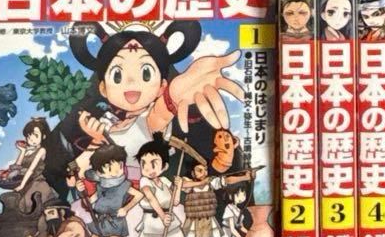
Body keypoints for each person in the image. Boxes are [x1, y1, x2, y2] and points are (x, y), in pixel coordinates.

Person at [47, 20, 244, 186]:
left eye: (146, 73)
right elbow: (75, 172)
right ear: (103, 88)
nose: (132, 82)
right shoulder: (105, 119)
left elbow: (157, 118)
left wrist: (172, 98)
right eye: (117, 75)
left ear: (161, 86)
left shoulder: (150, 119)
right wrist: (96, 141)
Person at [126, 133, 205, 237]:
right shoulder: (145, 181)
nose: (148, 168)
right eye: (144, 164)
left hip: (171, 223)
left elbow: (174, 202)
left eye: (153, 163)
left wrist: (178, 186)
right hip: (152, 223)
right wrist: (163, 216)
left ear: (164, 166)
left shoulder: (164, 180)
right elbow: (151, 199)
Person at [0, 117, 54, 215]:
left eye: (35, 135)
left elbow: (31, 170)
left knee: (29, 204)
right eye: (29, 136)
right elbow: (17, 167)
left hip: (36, 183)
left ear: (44, 136)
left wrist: (22, 185)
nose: (31, 139)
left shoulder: (41, 150)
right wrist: (22, 151)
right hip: (25, 182)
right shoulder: (28, 150)